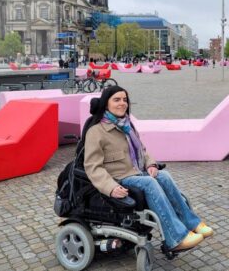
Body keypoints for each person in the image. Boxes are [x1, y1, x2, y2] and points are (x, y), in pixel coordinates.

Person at [84, 86, 213, 252]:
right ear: (105, 104)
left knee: (163, 175)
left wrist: (151, 164)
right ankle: (176, 237)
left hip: (136, 171)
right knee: (148, 183)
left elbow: (142, 151)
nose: (122, 103)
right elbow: (93, 167)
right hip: (118, 178)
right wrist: (111, 187)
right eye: (117, 99)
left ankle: (192, 223)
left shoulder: (127, 127)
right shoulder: (96, 132)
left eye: (125, 100)